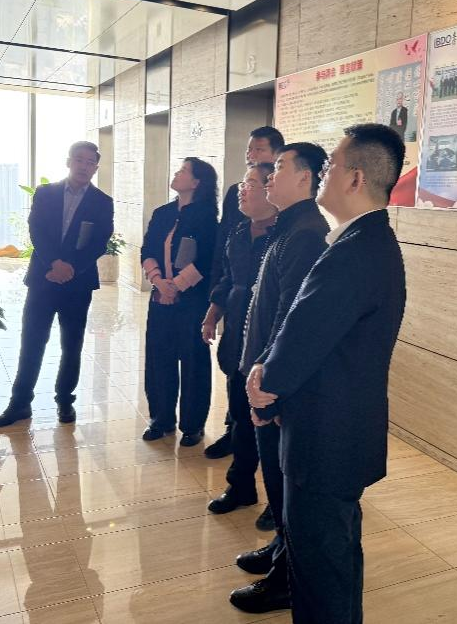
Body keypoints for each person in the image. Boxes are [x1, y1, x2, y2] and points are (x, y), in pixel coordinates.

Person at [247, 123, 407, 624]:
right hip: (338, 429)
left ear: (356, 178)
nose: (323, 173)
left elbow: (303, 336)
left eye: (331, 165)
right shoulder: (363, 241)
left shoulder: (354, 251)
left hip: (325, 435)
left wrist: (266, 385)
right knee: (332, 558)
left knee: (321, 567)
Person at [227, 143, 329, 615]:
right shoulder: (289, 227)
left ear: (305, 178)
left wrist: (267, 383)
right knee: (274, 476)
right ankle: (282, 548)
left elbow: (291, 319)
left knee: (283, 480)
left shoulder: (306, 234)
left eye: (280, 168)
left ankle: (287, 577)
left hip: (275, 384)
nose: (269, 176)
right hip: (264, 377)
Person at [0, 141, 114, 428]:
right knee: (32, 341)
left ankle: (65, 400)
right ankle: (20, 403)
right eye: (79, 160)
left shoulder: (102, 202)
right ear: (68, 162)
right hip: (43, 280)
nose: (84, 166)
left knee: (72, 344)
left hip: (78, 283)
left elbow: (100, 242)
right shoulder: (46, 193)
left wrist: (71, 268)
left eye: (90, 162)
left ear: (96, 168)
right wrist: (54, 264)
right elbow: (36, 230)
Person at [205, 126, 285, 462]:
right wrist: (214, 311)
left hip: (265, 335)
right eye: (249, 150)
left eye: (259, 149)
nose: (251, 154)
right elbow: (228, 272)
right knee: (236, 389)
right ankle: (238, 452)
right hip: (237, 320)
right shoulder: (239, 231)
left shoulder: (286, 236)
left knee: (261, 408)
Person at [140, 158, 219, 446]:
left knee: (193, 360)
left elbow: (207, 260)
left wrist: (177, 285)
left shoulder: (207, 218)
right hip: (159, 295)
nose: (177, 172)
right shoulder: (162, 213)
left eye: (184, 170)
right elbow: (147, 250)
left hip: (192, 301)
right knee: (159, 357)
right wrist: (159, 282)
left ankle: (192, 425)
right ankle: (161, 419)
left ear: (197, 182)